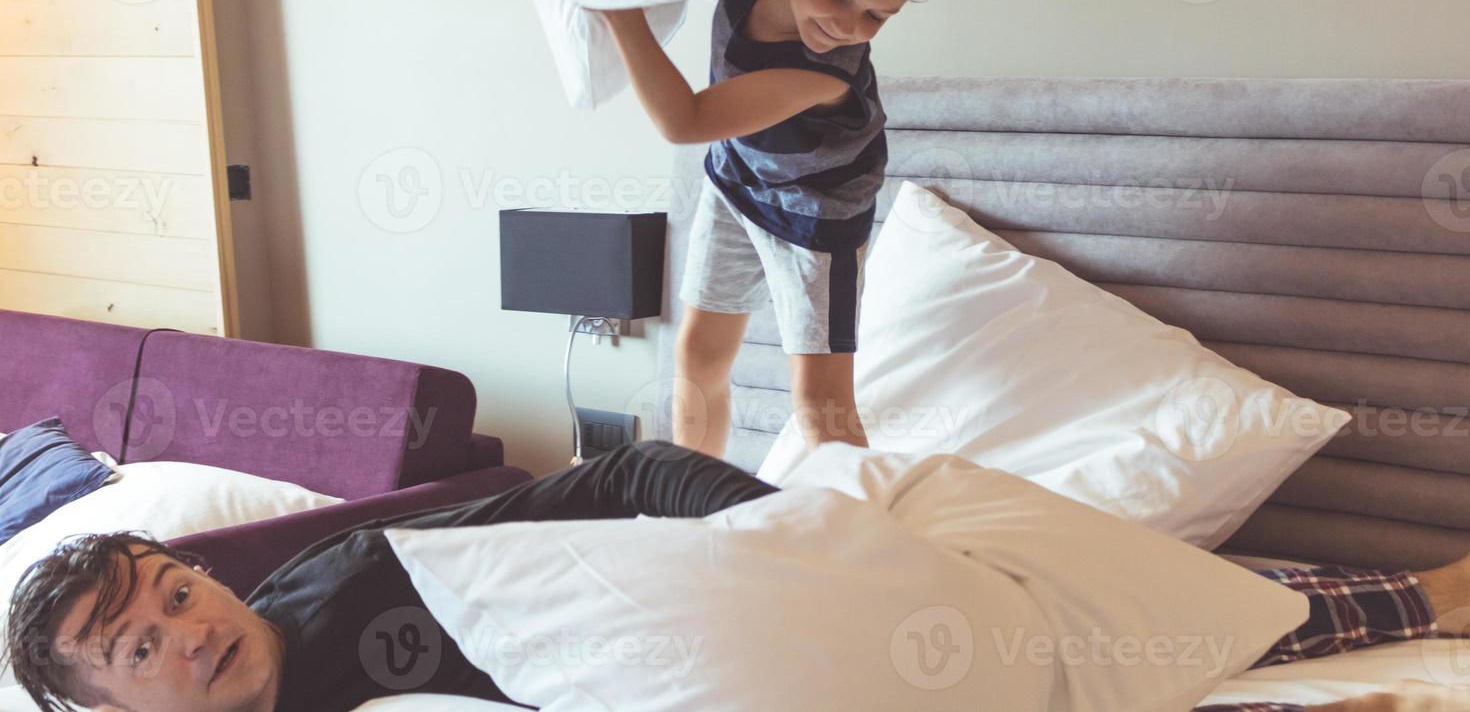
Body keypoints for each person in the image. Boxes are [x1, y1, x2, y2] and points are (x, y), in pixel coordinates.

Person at [4, 441, 1469, 712]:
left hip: (793, 612)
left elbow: (630, 475)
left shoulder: (354, 571)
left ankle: (1417, 598)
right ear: (103, 711)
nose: (182, 632)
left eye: (172, 594)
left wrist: (784, 539)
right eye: (132, 649)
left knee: (1074, 579)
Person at [598, 0, 945, 457]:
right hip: (738, 183)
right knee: (698, 357)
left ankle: (859, 527)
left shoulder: (820, 73)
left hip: (816, 218)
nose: (846, 25)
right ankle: (692, 497)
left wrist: (620, 15)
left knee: (819, 405)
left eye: (875, 16)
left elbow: (686, 120)